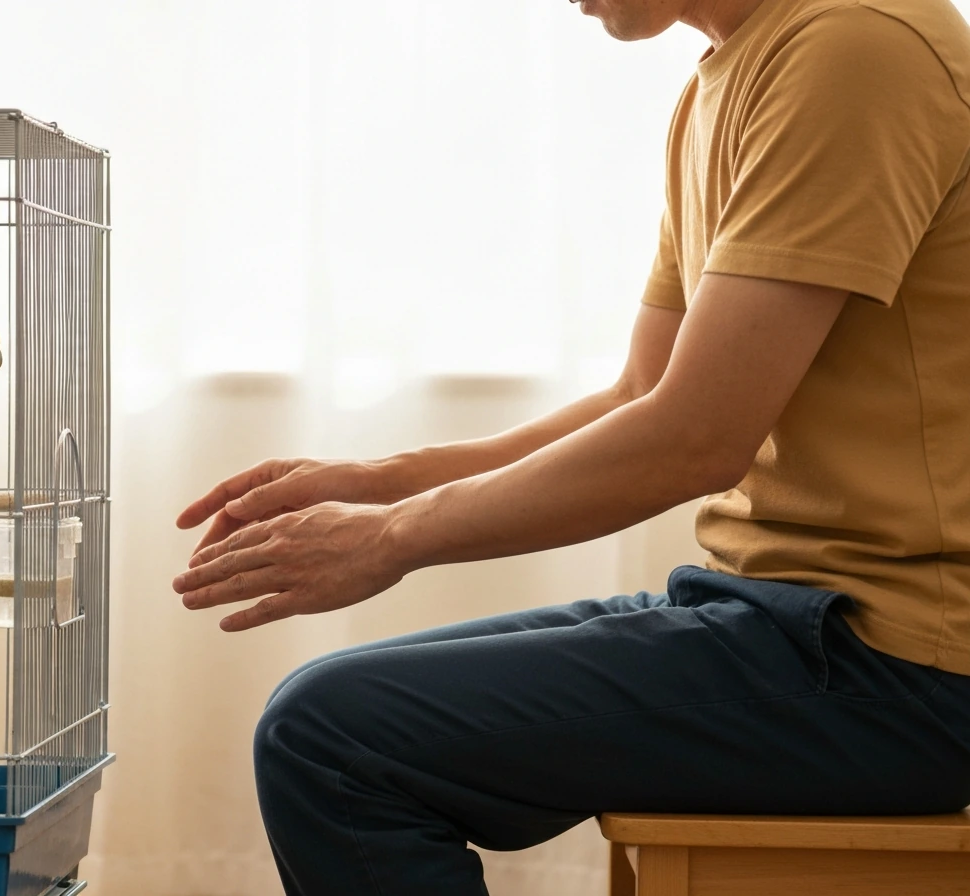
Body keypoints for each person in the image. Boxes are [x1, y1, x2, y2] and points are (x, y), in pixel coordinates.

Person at [172, 0, 970, 891]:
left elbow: (695, 439)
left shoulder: (856, 45)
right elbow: (643, 394)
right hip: (779, 614)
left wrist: (392, 538)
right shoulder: (725, 79)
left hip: (904, 665)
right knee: (314, 717)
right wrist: (381, 483)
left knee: (331, 738)